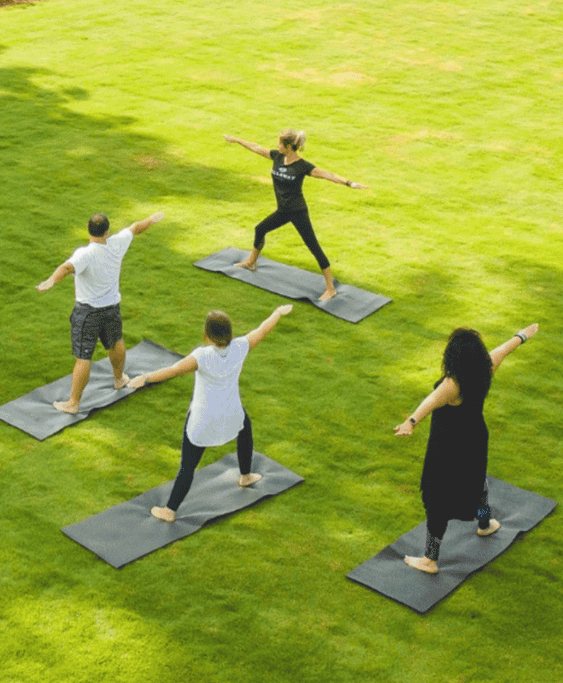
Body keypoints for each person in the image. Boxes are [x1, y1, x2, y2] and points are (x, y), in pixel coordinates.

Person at [394, 322, 539, 574]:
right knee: (478, 483)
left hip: (448, 448)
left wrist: (411, 422)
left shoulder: (453, 384)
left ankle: (430, 559)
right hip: (475, 440)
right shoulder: (486, 368)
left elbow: (431, 400)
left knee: (436, 499)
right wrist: (522, 336)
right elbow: (504, 349)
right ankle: (484, 523)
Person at [130, 303, 293, 522]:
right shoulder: (240, 346)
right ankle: (245, 476)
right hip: (232, 412)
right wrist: (278, 313)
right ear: (230, 332)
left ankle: (170, 510)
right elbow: (262, 330)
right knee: (245, 429)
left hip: (203, 420)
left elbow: (174, 370)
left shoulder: (202, 356)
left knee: (188, 465)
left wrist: (146, 378)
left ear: (206, 335)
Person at [36, 209, 164, 414]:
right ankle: (119, 379)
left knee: (83, 357)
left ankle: (73, 403)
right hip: (112, 308)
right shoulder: (117, 243)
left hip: (87, 313)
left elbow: (66, 268)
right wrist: (152, 219)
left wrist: (51, 280)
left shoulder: (85, 253)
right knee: (116, 342)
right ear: (107, 231)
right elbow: (136, 227)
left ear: (87, 229)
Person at [223, 129, 363, 303]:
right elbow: (255, 147)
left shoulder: (302, 166)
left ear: (289, 146)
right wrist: (236, 139)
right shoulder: (277, 157)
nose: (277, 145)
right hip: (283, 211)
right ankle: (251, 262)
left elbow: (327, 174)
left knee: (314, 247)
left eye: (280, 143)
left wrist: (349, 183)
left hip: (297, 212)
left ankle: (331, 289)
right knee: (260, 229)